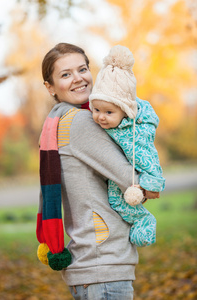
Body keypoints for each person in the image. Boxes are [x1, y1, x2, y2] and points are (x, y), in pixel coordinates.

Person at [36, 42, 159, 300]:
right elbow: (138, 183)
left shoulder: (58, 121)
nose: (78, 79)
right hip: (103, 266)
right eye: (65, 74)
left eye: (82, 69)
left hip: (91, 265)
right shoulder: (80, 122)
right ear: (50, 87)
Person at [89, 45, 165, 248]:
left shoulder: (133, 133)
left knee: (118, 201)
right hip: (116, 171)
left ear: (125, 112)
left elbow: (148, 156)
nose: (101, 117)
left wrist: (151, 183)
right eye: (96, 109)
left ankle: (144, 221)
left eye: (108, 112)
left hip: (134, 180)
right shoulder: (109, 123)